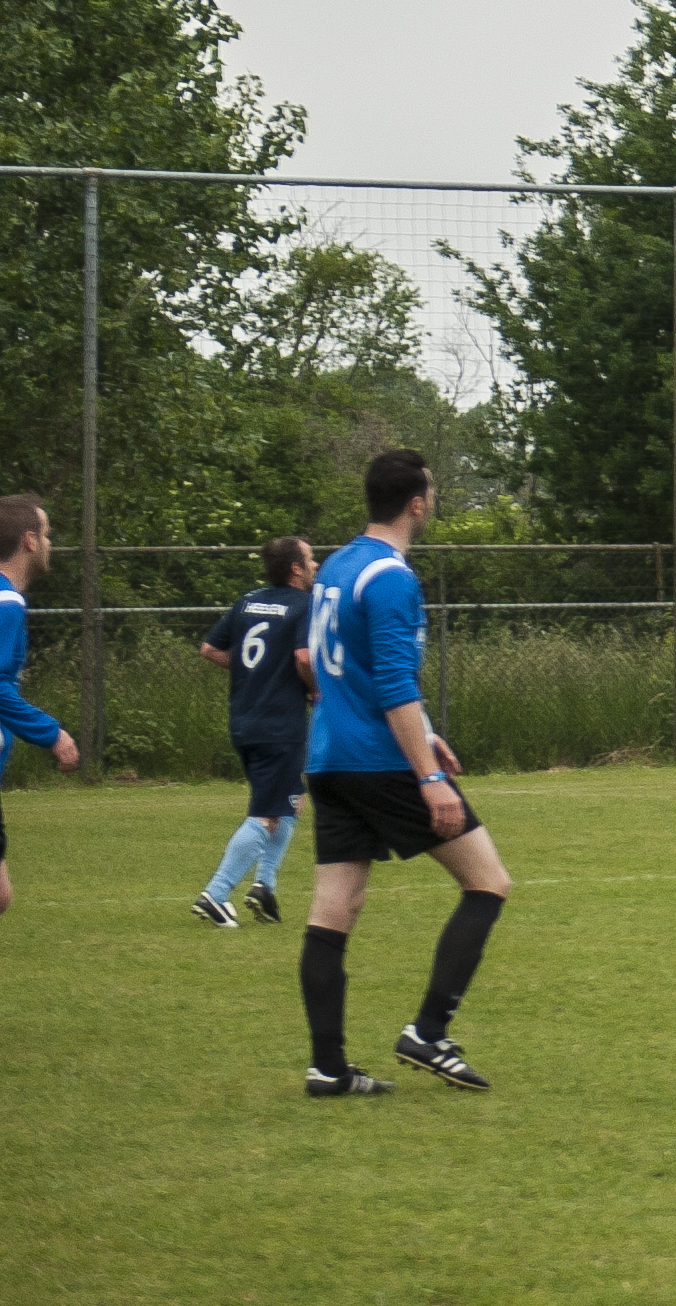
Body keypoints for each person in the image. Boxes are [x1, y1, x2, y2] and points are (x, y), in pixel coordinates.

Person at [298, 451, 513, 1098]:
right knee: (488, 882)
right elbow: (392, 681)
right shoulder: (391, 577)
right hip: (380, 762)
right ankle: (427, 1031)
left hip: (329, 758)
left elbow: (319, 665)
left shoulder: (336, 566)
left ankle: (328, 1068)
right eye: (434, 491)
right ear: (417, 501)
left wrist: (424, 732)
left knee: (334, 909)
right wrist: (427, 775)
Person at [188, 536, 318, 927]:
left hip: (245, 720)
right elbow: (303, 657)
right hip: (280, 724)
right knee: (267, 814)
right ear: (295, 568)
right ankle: (216, 892)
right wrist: (314, 688)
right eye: (311, 559)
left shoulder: (247, 601)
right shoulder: (303, 605)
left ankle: (264, 886)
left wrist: (254, 672)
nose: (316, 565)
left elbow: (210, 649)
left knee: (290, 802)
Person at [0, 496, 86, 916]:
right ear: (29, 541)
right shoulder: (7, 604)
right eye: (47, 533)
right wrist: (51, 733)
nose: (51, 542)